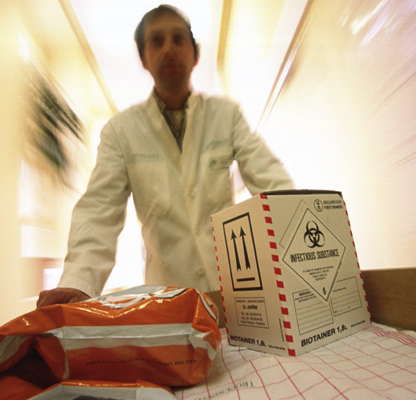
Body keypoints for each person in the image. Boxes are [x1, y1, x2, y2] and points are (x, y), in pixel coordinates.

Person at [37, 4, 293, 307]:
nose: (169, 49)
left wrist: (302, 248)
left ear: (195, 55)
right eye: (156, 41)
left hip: (234, 296)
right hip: (168, 303)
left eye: (178, 39)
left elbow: (272, 182)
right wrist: (78, 281)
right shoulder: (120, 131)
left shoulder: (227, 116)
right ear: (144, 59)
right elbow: (98, 210)